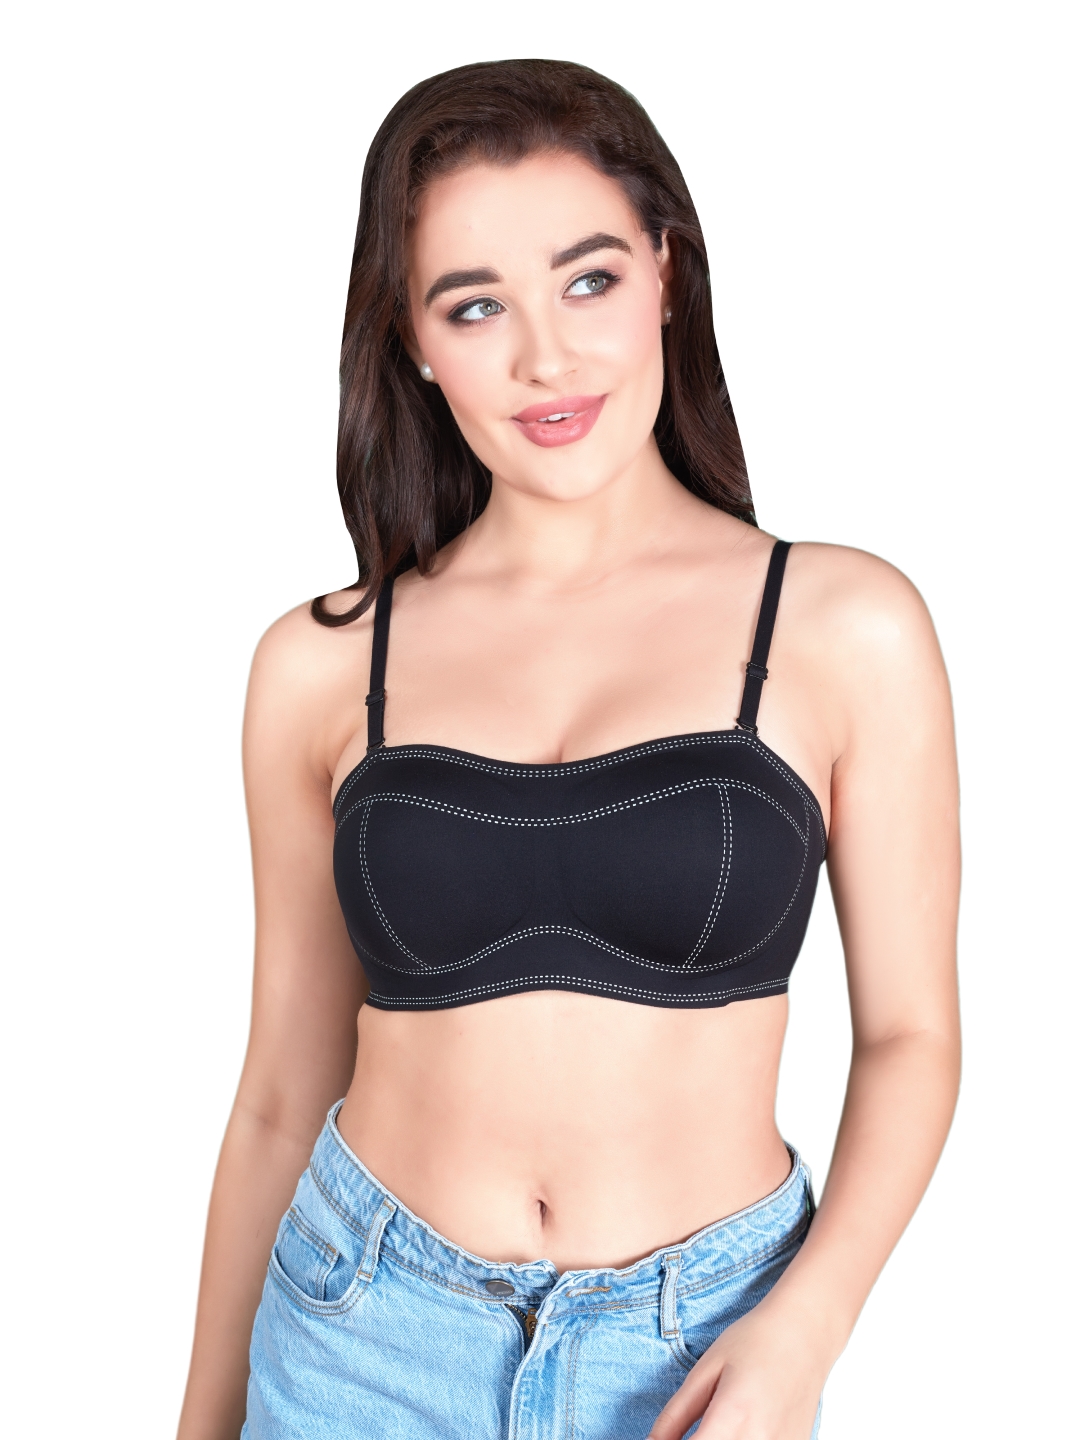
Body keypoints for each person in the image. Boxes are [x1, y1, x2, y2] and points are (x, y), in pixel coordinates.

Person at [177, 59, 961, 1440]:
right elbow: (281, 1095)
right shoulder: (321, 663)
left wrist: (803, 1329)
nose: (545, 359)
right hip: (358, 1339)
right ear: (415, 343)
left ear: (667, 273)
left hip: (699, 1354)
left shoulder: (843, 625)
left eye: (589, 280)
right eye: (476, 306)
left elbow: (912, 1038)